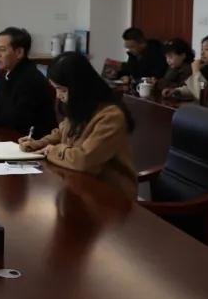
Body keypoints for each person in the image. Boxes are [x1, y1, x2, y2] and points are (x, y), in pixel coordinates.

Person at [19, 52, 137, 200]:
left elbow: (84, 160)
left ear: (79, 86)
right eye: (56, 89)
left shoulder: (111, 116)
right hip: (78, 186)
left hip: (111, 197)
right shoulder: (81, 105)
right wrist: (38, 144)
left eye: (62, 89)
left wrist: (52, 150)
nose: (58, 95)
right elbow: (62, 132)